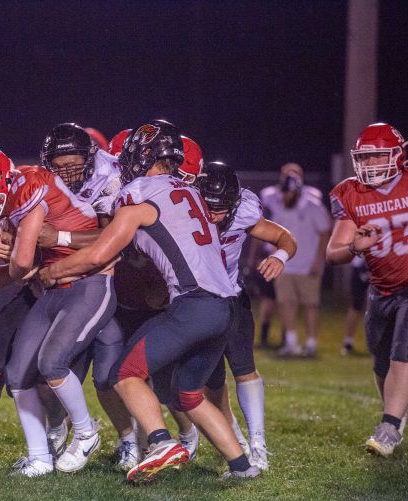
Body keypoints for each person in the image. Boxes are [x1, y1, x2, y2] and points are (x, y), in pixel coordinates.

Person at [40, 120, 259, 482]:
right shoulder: (190, 191)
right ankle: (241, 465)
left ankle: (160, 441)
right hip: (226, 308)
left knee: (124, 375)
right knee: (188, 393)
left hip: (193, 305)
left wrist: (54, 271)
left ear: (143, 157)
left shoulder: (139, 195)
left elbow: (99, 254)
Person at [3, 145, 115, 476]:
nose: (66, 170)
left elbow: (116, 237)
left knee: (59, 366)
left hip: (89, 285)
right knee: (18, 374)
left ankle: (87, 434)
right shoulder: (33, 188)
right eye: (58, 164)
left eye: (73, 163)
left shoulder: (105, 183)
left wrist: (57, 239)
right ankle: (41, 454)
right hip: (52, 290)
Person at [327, 122, 408, 457]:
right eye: (364, 158)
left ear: (398, 155)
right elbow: (333, 253)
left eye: (377, 156)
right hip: (380, 289)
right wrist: (354, 247)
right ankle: (398, 409)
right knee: (380, 362)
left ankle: (389, 427)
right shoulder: (350, 193)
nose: (369, 164)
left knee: (404, 350)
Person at [193, 161, 296, 471]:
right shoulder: (182, 211)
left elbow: (285, 237)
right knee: (210, 382)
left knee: (244, 368)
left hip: (232, 296)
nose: (212, 215)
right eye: (207, 206)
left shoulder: (244, 212)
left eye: (220, 208)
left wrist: (279, 256)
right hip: (195, 301)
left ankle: (258, 443)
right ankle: (233, 439)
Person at [261, 163, 332, 357]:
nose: (286, 196)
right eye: (284, 192)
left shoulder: (313, 207)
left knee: (310, 305)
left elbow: (326, 232)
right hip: (286, 265)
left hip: (308, 265)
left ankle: (311, 343)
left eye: (289, 193)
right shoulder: (281, 208)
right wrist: (274, 258)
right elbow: (275, 236)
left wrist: (319, 260)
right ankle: (291, 342)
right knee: (286, 304)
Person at [340, 256, 369, 356]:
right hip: (361, 265)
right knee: (356, 305)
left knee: (377, 305)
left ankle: (377, 342)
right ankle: (348, 341)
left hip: (380, 264)